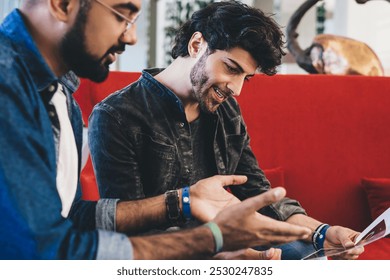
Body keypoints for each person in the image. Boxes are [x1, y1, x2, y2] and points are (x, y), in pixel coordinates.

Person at [0, 0, 311, 260]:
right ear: (63, 4)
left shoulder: (61, 97)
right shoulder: (10, 86)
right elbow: (45, 251)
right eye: (123, 14)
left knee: (302, 253)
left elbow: (70, 217)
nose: (133, 37)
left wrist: (183, 201)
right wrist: (212, 242)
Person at [89, 0, 364, 260]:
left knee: (310, 254)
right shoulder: (116, 116)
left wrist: (322, 232)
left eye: (246, 77)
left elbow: (258, 193)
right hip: (167, 254)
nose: (237, 89)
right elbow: (129, 230)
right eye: (231, 68)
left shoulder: (225, 109)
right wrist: (216, 256)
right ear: (197, 44)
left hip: (228, 241)